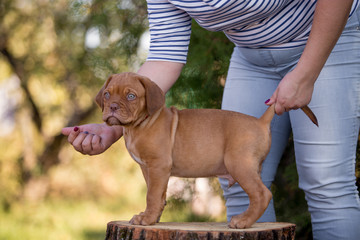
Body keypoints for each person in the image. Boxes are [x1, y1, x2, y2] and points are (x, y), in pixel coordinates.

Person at [62, 0, 360, 239]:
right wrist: (112, 127)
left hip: (328, 38)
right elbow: (165, 56)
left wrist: (307, 74)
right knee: (236, 187)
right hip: (251, 55)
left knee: (326, 183)